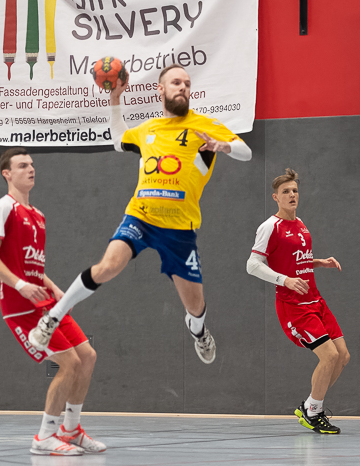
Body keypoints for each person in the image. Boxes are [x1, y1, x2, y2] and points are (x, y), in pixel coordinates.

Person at [27, 64, 252, 364]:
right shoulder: (148, 129)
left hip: (179, 229)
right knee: (107, 266)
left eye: (187, 83)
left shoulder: (204, 125)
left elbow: (246, 152)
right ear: (161, 89)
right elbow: (119, 140)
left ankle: (198, 332)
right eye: (176, 82)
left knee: (195, 306)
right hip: (141, 216)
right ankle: (52, 318)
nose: (183, 87)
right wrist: (115, 100)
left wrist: (223, 146)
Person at [0, 147, 105, 456]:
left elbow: (32, 264)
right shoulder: (4, 207)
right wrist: (20, 285)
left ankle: (71, 429)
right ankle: (44, 437)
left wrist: (55, 289)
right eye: (22, 165)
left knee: (87, 356)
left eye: (32, 164)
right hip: (20, 305)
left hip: (46, 302)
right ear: (7, 174)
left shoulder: (38, 215)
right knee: (69, 363)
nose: (30, 169)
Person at [246, 169, 349, 434]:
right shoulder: (270, 227)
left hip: (315, 299)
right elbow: (252, 265)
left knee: (342, 356)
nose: (292, 195)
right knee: (328, 356)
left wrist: (319, 263)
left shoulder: (300, 223)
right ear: (276, 197)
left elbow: (294, 259)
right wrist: (284, 280)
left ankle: (310, 406)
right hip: (293, 306)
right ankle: (313, 412)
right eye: (286, 192)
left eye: (294, 190)